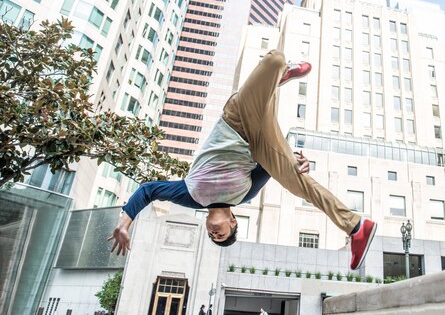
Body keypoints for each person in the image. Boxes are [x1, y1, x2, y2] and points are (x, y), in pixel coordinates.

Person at [108, 50, 376, 269]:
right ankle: (356, 227)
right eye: (220, 234)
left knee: (275, 60)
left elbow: (149, 190)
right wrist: (296, 162)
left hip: (235, 118)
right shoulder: (244, 195)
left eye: (213, 235)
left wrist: (124, 223)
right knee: (297, 184)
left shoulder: (191, 196)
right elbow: (271, 168)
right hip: (258, 142)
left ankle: (278, 77)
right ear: (233, 221)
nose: (214, 233)